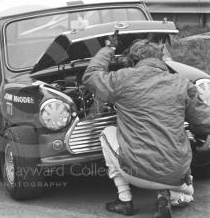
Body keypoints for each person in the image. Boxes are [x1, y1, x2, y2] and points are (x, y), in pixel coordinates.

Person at [82, 38, 210, 217]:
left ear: (133, 61)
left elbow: (90, 76)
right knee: (179, 134)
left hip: (135, 174)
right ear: (160, 59)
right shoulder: (182, 82)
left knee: (106, 132)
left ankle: (124, 200)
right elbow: (204, 123)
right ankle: (167, 195)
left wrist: (109, 48)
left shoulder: (123, 78)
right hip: (177, 176)